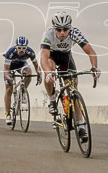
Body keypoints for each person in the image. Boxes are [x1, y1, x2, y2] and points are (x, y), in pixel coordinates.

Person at [39, 13, 100, 143]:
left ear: (70, 28)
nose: (62, 33)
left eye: (65, 29)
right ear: (54, 28)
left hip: (66, 57)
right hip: (52, 56)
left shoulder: (75, 32)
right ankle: (52, 99)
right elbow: (43, 57)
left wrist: (94, 67)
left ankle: (80, 125)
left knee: (73, 87)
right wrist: (48, 73)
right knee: (49, 68)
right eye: (59, 30)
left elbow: (91, 51)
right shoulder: (48, 34)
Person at [2, 36, 41, 126]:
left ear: (26, 48)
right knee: (8, 89)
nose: (21, 50)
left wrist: (39, 74)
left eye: (24, 48)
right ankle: (8, 114)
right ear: (16, 47)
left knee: (29, 73)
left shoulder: (30, 52)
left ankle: (23, 91)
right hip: (10, 67)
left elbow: (36, 66)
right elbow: (6, 69)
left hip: (21, 65)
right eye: (19, 48)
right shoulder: (10, 53)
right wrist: (8, 78)